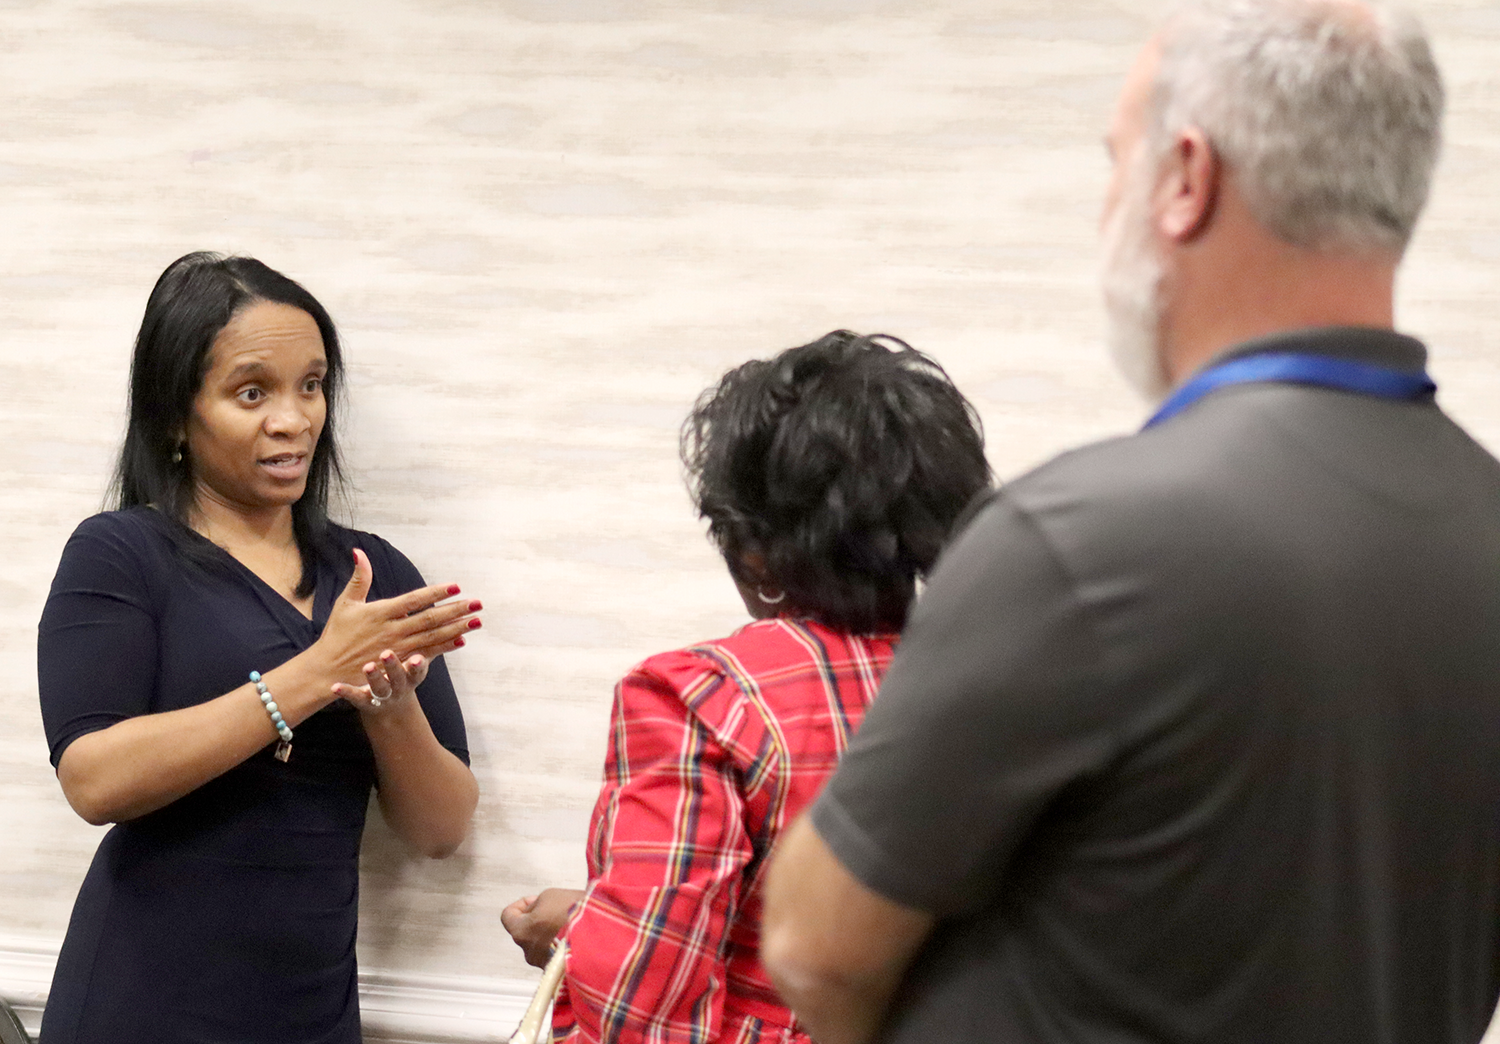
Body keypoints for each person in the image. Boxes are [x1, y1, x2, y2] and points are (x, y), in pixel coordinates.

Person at [762, 3, 1500, 1043]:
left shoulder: (1084, 538)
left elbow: (811, 946)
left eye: (1118, 163)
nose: (1108, 202)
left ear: (1186, 178)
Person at [36, 252, 482, 1043]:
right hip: (143, 1002)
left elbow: (441, 831)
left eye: (311, 385)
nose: (294, 418)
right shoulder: (120, 553)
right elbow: (94, 780)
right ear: (176, 415)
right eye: (253, 392)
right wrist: (313, 675)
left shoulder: (369, 572)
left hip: (309, 1005)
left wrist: (389, 707)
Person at [500, 331, 990, 1043]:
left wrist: (581, 938)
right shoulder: (1003, 685)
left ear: (756, 555)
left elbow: (644, 1006)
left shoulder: (703, 703)